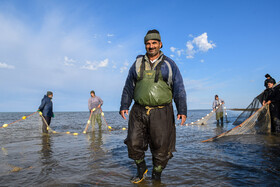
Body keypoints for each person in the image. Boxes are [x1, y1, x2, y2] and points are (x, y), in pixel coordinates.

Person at [120, 29, 187, 183]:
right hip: (138, 110)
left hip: (162, 112)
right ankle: (141, 168)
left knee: (162, 147)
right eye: (148, 43)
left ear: (160, 44)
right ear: (145, 45)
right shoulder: (137, 63)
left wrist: (182, 110)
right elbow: (128, 86)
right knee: (133, 141)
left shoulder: (170, 64)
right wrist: (124, 104)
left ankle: (157, 175)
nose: (151, 46)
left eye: (154, 43)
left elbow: (179, 89)